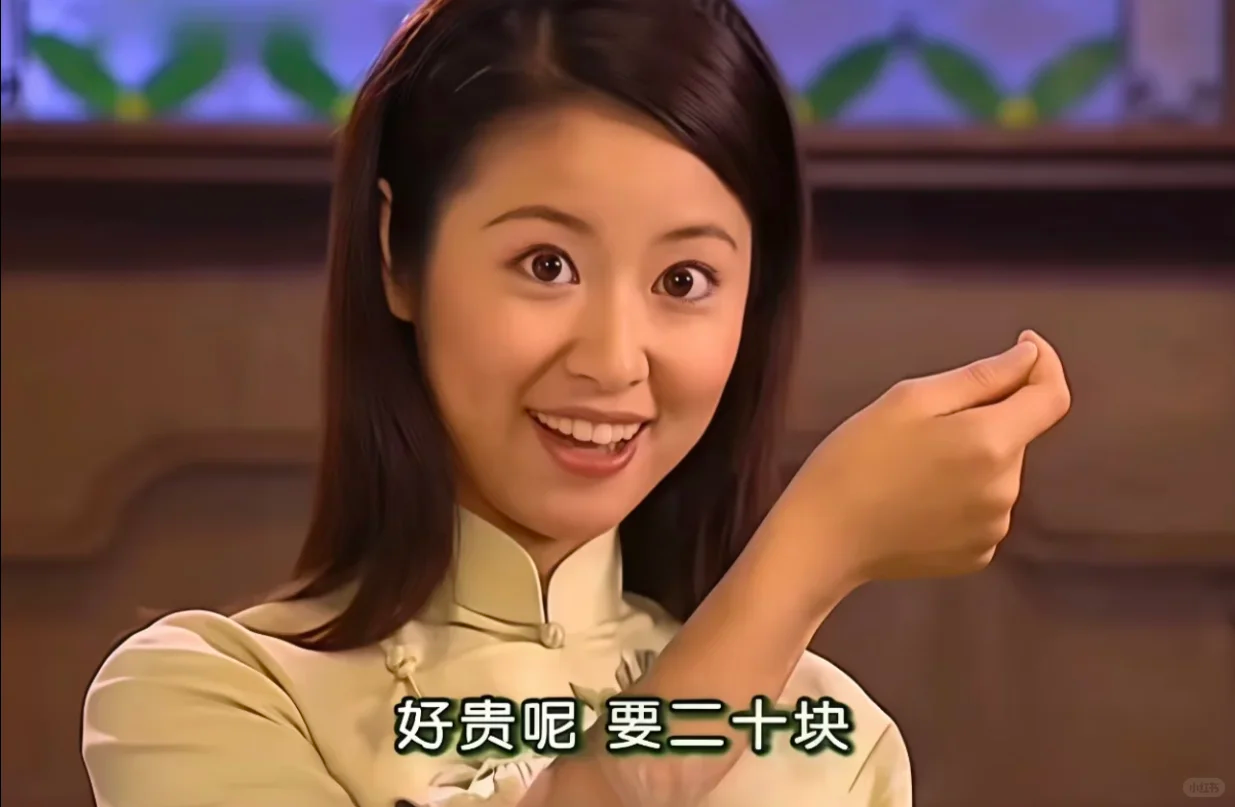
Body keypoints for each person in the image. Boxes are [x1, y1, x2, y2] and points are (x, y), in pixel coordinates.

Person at [80, 0, 1072, 805]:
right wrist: (811, 550)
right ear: (397, 254)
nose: (612, 360)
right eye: (545, 263)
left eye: (683, 280)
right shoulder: (210, 696)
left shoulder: (835, 740)